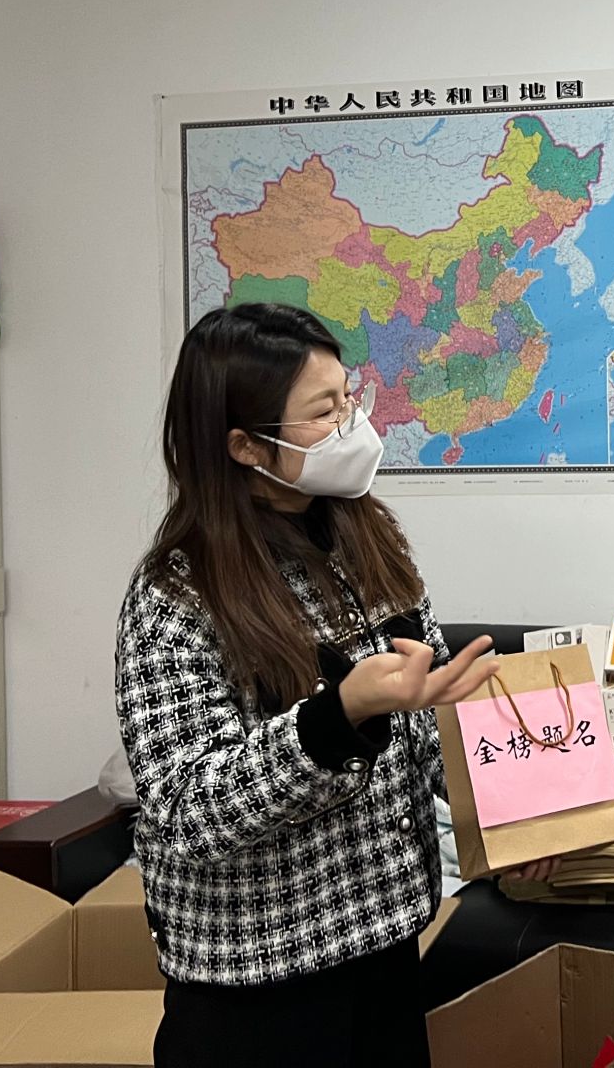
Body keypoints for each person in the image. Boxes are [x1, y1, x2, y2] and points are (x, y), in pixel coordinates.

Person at [116, 303, 537, 1068]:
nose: (352, 423)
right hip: (257, 992)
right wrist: (335, 719)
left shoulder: (364, 536)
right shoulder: (177, 595)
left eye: (349, 397)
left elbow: (430, 715)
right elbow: (186, 812)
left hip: (385, 951)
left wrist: (517, 821)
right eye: (323, 411)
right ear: (245, 445)